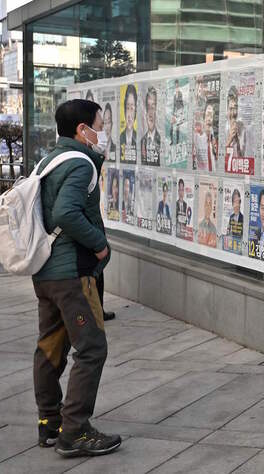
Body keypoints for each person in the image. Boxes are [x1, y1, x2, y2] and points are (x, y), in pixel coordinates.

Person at [32, 99, 121, 457]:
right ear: (83, 130)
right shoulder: (80, 164)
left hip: (47, 274)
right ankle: (75, 431)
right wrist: (100, 245)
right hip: (71, 274)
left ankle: (50, 424)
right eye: (100, 125)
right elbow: (66, 212)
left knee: (50, 346)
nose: (104, 133)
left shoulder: (49, 160)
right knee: (92, 348)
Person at [224, 86, 251, 161]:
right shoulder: (222, 127)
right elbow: (219, 158)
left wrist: (237, 140)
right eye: (231, 109)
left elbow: (242, 156)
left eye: (236, 108)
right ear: (227, 109)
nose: (234, 113)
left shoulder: (242, 127)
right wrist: (229, 139)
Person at [140, 87, 161, 165]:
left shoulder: (161, 139)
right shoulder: (142, 141)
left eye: (153, 107)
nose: (151, 113)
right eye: (148, 107)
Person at [193, 102, 216, 171]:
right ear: (204, 115)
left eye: (211, 116)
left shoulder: (211, 129)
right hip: (202, 165)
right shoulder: (199, 129)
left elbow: (213, 148)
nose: (209, 119)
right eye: (208, 115)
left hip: (210, 164)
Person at [119, 84, 137, 162]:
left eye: (132, 108)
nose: (129, 114)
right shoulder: (120, 138)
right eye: (127, 108)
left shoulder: (139, 139)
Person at [170, 79, 184, 145]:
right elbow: (174, 104)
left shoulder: (180, 93)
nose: (176, 86)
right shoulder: (174, 94)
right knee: (171, 126)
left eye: (177, 85)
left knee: (178, 127)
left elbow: (181, 103)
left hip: (179, 111)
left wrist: (181, 113)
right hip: (175, 111)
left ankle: (177, 142)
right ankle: (172, 141)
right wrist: (173, 113)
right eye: (175, 85)